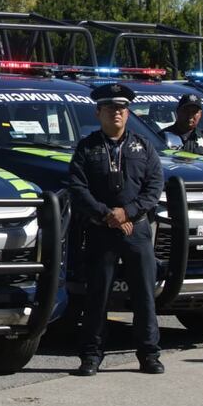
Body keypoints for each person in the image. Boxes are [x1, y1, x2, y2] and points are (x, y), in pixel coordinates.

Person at [68, 82, 164, 377]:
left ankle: (149, 354)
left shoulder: (143, 146)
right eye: (110, 108)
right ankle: (91, 356)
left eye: (121, 108)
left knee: (144, 295)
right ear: (99, 113)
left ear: (128, 112)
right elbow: (77, 187)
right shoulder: (87, 148)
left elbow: (154, 186)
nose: (117, 113)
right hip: (101, 230)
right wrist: (107, 214)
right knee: (97, 295)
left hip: (136, 230)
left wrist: (128, 213)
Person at [161, 93, 203, 159]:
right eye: (186, 111)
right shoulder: (162, 137)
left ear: (200, 114)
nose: (190, 115)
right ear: (178, 111)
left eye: (194, 112)